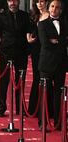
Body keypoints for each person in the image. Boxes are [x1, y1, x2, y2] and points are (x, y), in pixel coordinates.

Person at [0, 0, 30, 117]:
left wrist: (28, 49)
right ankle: (1, 108)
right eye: (10, 1)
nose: (12, 3)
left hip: (21, 53)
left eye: (15, 1)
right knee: (4, 81)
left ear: (18, 2)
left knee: (20, 81)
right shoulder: (1, 16)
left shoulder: (25, 15)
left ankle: (20, 108)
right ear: (7, 2)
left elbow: (30, 31)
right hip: (6, 53)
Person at [38, 0, 67, 129]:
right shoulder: (42, 24)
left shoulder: (65, 24)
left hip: (61, 64)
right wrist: (59, 42)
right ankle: (42, 122)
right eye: (53, 6)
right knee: (45, 94)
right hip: (47, 64)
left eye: (57, 7)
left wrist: (57, 41)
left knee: (59, 95)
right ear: (49, 8)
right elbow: (45, 43)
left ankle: (58, 122)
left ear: (61, 10)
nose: (55, 9)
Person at [27, 0, 49, 119]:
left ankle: (47, 109)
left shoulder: (50, 15)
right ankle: (34, 108)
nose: (39, 4)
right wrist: (28, 37)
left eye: (41, 1)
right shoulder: (34, 15)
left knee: (46, 78)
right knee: (37, 77)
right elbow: (29, 30)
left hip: (47, 50)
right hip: (36, 49)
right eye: (37, 2)